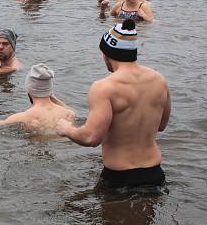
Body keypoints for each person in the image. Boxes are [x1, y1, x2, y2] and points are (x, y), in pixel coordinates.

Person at [56, 19, 171, 189]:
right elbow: (161, 125)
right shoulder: (159, 80)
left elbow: (91, 138)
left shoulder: (104, 87)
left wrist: (67, 129)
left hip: (119, 178)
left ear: (106, 53)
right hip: (155, 174)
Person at [0, 63, 75, 133]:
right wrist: (49, 94)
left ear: (29, 89)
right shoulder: (69, 114)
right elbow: (72, 113)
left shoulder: (22, 118)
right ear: (50, 89)